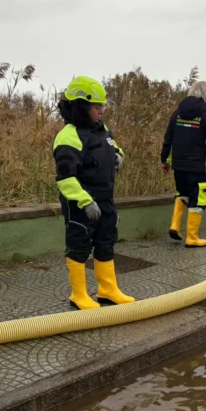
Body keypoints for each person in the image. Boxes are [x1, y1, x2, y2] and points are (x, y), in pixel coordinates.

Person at [53, 75, 135, 310]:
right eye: (97, 106)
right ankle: (78, 294)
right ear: (81, 106)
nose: (102, 110)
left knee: (106, 242)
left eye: (103, 105)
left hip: (105, 199)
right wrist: (85, 202)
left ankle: (108, 289)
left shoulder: (102, 129)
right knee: (79, 245)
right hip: (81, 203)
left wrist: (119, 155)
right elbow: (66, 178)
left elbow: (113, 147)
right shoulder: (68, 136)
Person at [160, 81, 206, 248]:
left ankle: (175, 226)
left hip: (179, 166)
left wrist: (165, 161)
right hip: (198, 168)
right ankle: (192, 237)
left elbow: (168, 139)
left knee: (181, 194)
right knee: (198, 202)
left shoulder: (177, 114)